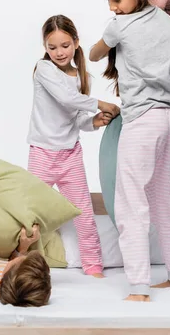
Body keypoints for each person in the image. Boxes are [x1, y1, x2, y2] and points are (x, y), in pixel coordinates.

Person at [89, 0, 170, 301]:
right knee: (161, 202)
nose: (113, 7)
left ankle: (139, 288)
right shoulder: (164, 21)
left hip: (143, 122)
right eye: (108, 1)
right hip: (168, 120)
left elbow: (94, 55)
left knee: (131, 205)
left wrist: (108, 35)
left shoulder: (120, 26)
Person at [27, 14, 120, 277]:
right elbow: (67, 99)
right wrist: (101, 103)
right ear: (45, 47)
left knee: (84, 215)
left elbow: (76, 117)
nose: (59, 52)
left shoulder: (79, 76)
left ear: (76, 43)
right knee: (30, 215)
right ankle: (25, 265)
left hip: (70, 156)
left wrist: (95, 121)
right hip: (42, 154)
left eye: (65, 46)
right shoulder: (43, 69)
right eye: (52, 47)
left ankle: (93, 266)